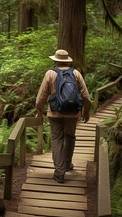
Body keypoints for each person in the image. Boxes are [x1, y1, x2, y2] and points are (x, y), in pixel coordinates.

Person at [35, 49, 91, 183]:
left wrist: (39, 110)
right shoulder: (76, 73)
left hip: (54, 113)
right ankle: (67, 164)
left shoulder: (50, 73)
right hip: (73, 113)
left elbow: (41, 96)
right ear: (67, 60)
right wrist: (86, 111)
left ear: (55, 60)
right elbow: (85, 95)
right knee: (70, 137)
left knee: (57, 139)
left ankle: (60, 172)